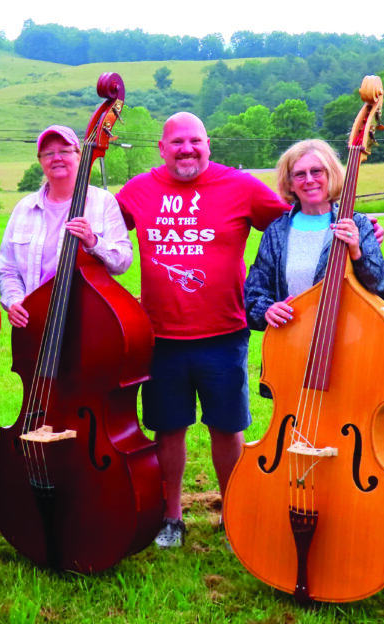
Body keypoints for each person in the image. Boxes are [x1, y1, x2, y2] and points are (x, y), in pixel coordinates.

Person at [115, 112, 289, 548]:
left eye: (194, 141)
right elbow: (103, 235)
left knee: (226, 428)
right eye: (176, 142)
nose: (186, 149)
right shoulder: (139, 190)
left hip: (223, 335)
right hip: (160, 338)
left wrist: (362, 227)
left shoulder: (241, 187)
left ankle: (233, 513)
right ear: (161, 148)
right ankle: (171, 517)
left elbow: (294, 226)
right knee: (167, 429)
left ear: (208, 145)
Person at [244, 139, 384, 351]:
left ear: (330, 174)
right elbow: (253, 295)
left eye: (316, 171)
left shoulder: (357, 224)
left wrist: (356, 251)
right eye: (299, 174)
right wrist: (267, 309)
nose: (309, 180)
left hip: (348, 347)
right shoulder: (276, 232)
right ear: (290, 183)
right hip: (289, 347)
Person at [0, 125, 132, 328]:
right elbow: (7, 269)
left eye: (64, 151)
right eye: (48, 153)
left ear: (79, 156)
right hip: (34, 320)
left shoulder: (104, 202)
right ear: (41, 161)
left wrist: (93, 242)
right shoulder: (24, 207)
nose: (56, 158)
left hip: (87, 321)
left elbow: (123, 261)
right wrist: (14, 301)